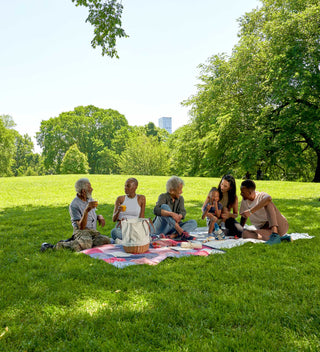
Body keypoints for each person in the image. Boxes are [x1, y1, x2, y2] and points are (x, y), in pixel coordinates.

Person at [41, 178, 111, 252]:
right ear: (83, 191)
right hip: (81, 231)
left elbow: (90, 216)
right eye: (90, 187)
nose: (92, 189)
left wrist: (99, 216)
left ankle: (79, 241)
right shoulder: (74, 205)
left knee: (105, 240)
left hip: (92, 232)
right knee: (86, 245)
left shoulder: (89, 199)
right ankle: (56, 246)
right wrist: (86, 211)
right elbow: (81, 226)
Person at [239, 179, 291, 245]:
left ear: (250, 192)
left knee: (268, 203)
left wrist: (250, 211)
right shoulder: (244, 201)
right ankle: (281, 238)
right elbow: (244, 216)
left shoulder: (261, 196)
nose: (241, 194)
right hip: (265, 229)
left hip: (280, 225)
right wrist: (240, 229)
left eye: (243, 192)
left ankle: (275, 234)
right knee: (245, 234)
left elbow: (269, 198)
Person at [153, 176, 197, 240]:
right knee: (164, 207)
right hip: (161, 228)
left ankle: (173, 235)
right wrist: (171, 214)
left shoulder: (180, 199)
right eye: (180, 190)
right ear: (171, 191)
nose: (181, 192)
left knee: (193, 222)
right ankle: (181, 233)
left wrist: (179, 216)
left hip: (173, 228)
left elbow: (183, 212)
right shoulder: (163, 196)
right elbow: (156, 210)